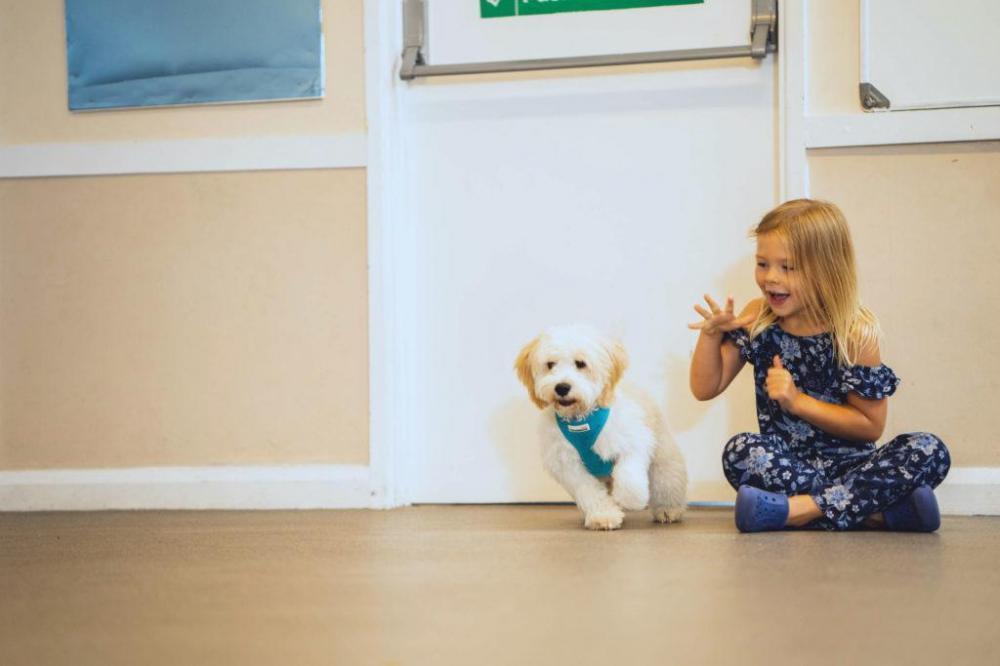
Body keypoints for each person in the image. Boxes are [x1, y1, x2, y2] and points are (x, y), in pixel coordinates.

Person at [688, 199, 950, 532]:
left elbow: (870, 426)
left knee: (930, 450)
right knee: (739, 451)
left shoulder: (855, 333)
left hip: (857, 466)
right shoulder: (759, 318)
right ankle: (875, 513)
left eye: (788, 267)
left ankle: (799, 509)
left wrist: (799, 403)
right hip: (789, 465)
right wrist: (711, 336)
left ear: (828, 269)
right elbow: (705, 387)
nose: (770, 278)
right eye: (762, 263)